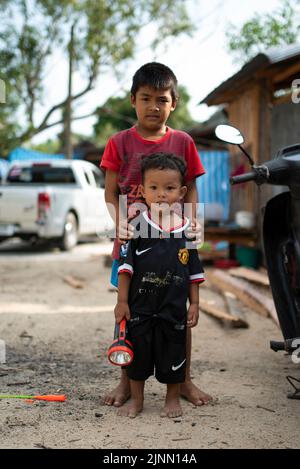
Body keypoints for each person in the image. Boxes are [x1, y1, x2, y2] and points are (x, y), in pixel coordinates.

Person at [100, 62, 212, 407]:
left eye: (161, 99)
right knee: (128, 312)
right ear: (133, 100)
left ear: (173, 103)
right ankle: (124, 382)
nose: (153, 106)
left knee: (179, 313)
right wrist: (120, 222)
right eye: (145, 98)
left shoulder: (184, 141)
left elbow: (191, 189)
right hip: (134, 244)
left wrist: (194, 224)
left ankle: (184, 381)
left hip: (174, 241)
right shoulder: (119, 143)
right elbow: (109, 192)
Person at [115, 152, 205, 418]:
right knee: (138, 355)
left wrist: (195, 303)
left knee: (174, 353)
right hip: (139, 307)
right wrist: (121, 301)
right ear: (143, 191)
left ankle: (172, 399)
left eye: (169, 188)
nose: (161, 194)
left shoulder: (188, 231)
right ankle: (138, 400)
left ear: (182, 192)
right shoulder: (136, 227)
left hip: (173, 308)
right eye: (154, 188)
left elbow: (194, 272)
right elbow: (125, 269)